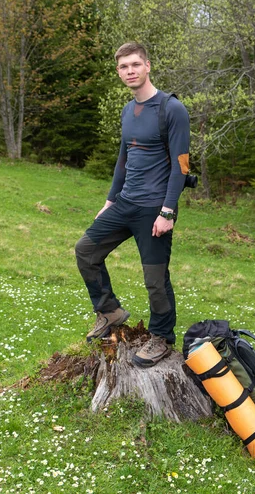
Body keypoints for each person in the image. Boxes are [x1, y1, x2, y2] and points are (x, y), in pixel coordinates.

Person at [75, 41, 191, 367]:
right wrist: (110, 200)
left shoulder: (172, 109)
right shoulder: (129, 111)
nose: (130, 71)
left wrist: (168, 211)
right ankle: (110, 311)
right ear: (119, 71)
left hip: (155, 208)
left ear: (148, 66)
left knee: (155, 279)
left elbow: (182, 165)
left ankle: (162, 338)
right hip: (125, 203)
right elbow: (123, 161)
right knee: (86, 250)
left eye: (135, 65)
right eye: (124, 67)